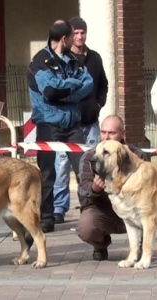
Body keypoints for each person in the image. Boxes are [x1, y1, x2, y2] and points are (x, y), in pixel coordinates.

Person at [27, 20, 93, 233]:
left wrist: (67, 92)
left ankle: (90, 212)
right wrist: (73, 87)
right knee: (47, 173)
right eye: (73, 37)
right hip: (49, 124)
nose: (77, 40)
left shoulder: (73, 59)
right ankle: (46, 217)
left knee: (85, 168)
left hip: (73, 124)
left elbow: (89, 84)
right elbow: (50, 92)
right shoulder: (39, 62)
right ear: (64, 39)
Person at [53, 16, 108, 224]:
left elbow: (103, 84)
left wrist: (98, 104)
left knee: (90, 166)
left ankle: (89, 204)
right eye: (75, 33)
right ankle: (59, 208)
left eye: (82, 32)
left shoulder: (95, 58)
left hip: (90, 124)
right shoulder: (61, 60)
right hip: (67, 126)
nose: (79, 36)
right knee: (62, 166)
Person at [77, 115, 148, 261]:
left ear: (123, 134)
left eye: (111, 133)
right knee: (86, 226)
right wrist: (94, 188)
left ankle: (139, 248)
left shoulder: (138, 156)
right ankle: (100, 245)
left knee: (147, 212)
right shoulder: (90, 156)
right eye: (103, 132)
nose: (106, 137)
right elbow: (82, 189)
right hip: (104, 212)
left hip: (133, 210)